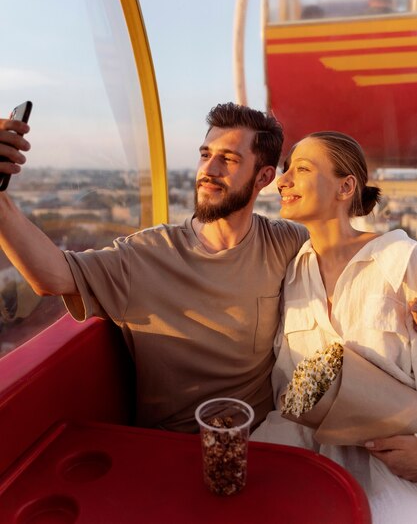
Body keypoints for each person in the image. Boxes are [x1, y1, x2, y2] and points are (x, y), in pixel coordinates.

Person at [0, 103, 307, 433]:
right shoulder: (147, 255)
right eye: (205, 155)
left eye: (228, 159)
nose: (209, 169)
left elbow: (350, 253)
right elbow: (50, 275)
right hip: (172, 448)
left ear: (263, 177)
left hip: (267, 438)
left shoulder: (286, 242)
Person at [251, 131, 417, 522]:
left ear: (346, 187)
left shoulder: (401, 260)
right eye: (286, 168)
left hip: (389, 473)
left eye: (302, 169)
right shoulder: (292, 272)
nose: (283, 180)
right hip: (300, 463)